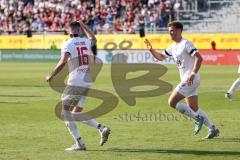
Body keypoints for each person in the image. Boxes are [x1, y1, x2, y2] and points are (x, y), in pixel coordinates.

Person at [144, 21, 220, 139]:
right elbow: (160, 57)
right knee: (194, 107)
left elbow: (199, 58)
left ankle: (197, 119)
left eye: (172, 31)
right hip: (188, 80)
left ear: (179, 31)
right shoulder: (172, 46)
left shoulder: (186, 44)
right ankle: (212, 128)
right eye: (169, 31)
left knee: (172, 102)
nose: (170, 33)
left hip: (190, 79)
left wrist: (193, 74)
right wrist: (151, 50)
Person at [46, 21, 110, 151]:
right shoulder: (86, 42)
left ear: (68, 30)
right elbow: (94, 38)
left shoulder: (67, 44)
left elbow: (63, 61)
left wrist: (51, 75)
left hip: (75, 82)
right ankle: (101, 128)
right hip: (87, 81)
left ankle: (80, 144)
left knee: (65, 114)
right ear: (79, 31)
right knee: (75, 113)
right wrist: (84, 25)